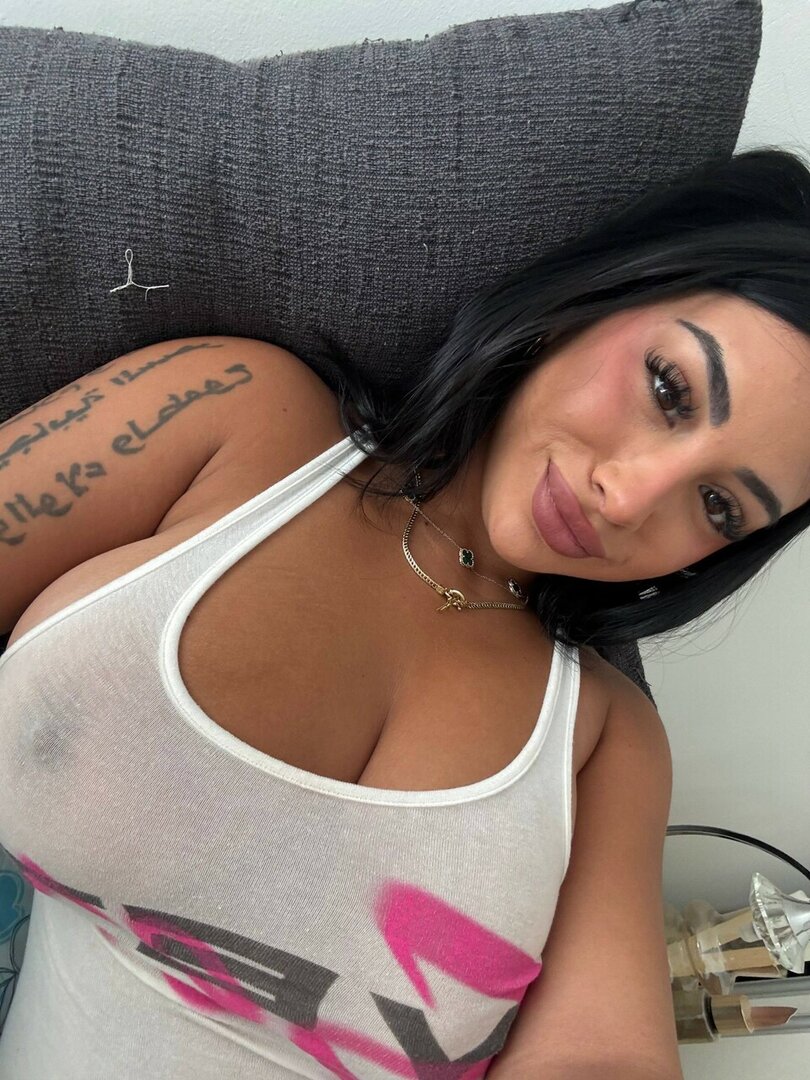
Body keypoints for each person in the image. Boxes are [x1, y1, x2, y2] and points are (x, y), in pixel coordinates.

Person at [0, 146, 809, 1080]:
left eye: (719, 507)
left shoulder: (604, 745)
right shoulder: (231, 414)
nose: (628, 498)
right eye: (669, 389)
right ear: (596, 295)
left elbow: (604, 1058)